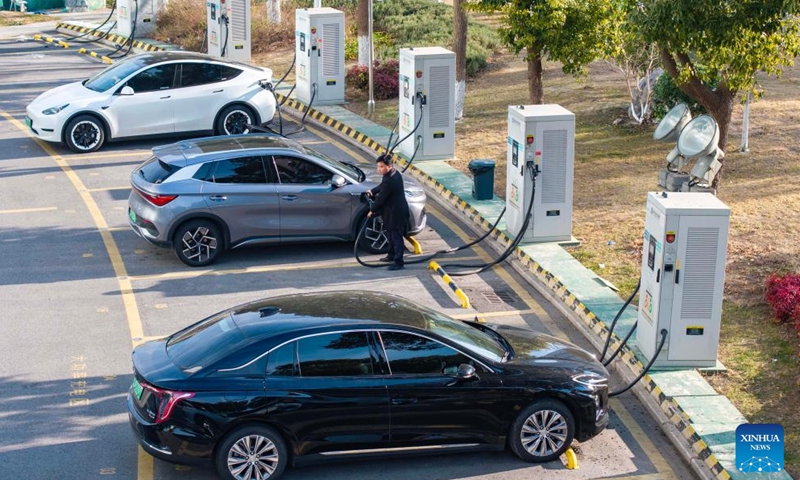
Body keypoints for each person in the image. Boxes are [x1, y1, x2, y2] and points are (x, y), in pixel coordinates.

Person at [367, 154, 410, 271]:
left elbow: (381, 198)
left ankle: (399, 262)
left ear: (389, 166)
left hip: (396, 213)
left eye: (381, 166)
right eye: (378, 166)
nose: (379, 169)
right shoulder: (392, 174)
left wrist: (372, 210)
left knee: (396, 238)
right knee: (390, 235)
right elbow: (382, 186)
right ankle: (391, 255)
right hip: (392, 212)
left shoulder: (391, 180)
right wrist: (372, 191)